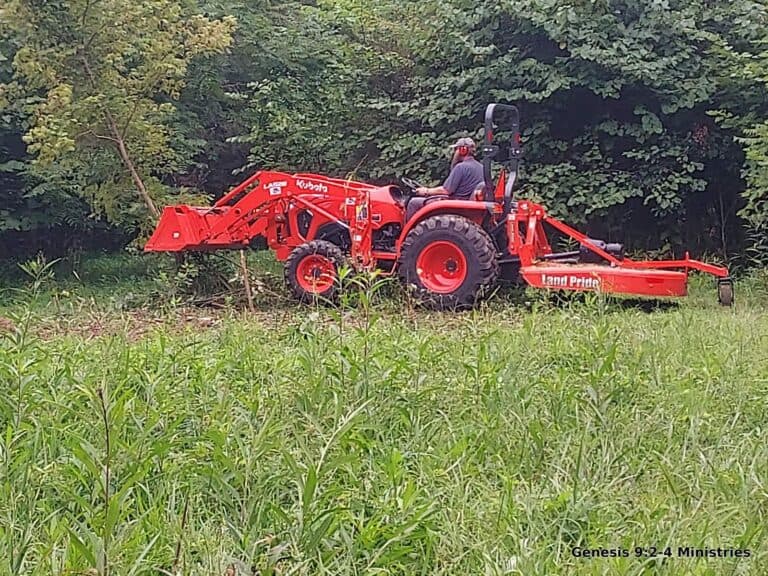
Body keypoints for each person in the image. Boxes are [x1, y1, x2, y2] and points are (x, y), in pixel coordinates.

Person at [416, 137, 485, 200]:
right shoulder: (482, 167)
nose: (454, 152)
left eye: (456, 149)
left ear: (463, 150)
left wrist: (426, 191)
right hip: (467, 203)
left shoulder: (460, 167)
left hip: (457, 204)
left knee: (414, 202)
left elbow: (446, 190)